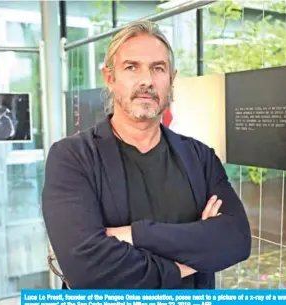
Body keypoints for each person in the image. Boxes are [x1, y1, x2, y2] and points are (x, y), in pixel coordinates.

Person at [41, 20, 251, 290]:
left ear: (172, 79)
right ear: (110, 78)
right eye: (131, 67)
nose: (146, 81)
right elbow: (87, 271)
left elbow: (236, 240)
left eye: (158, 68)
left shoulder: (199, 157)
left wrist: (134, 234)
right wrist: (192, 259)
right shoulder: (72, 158)